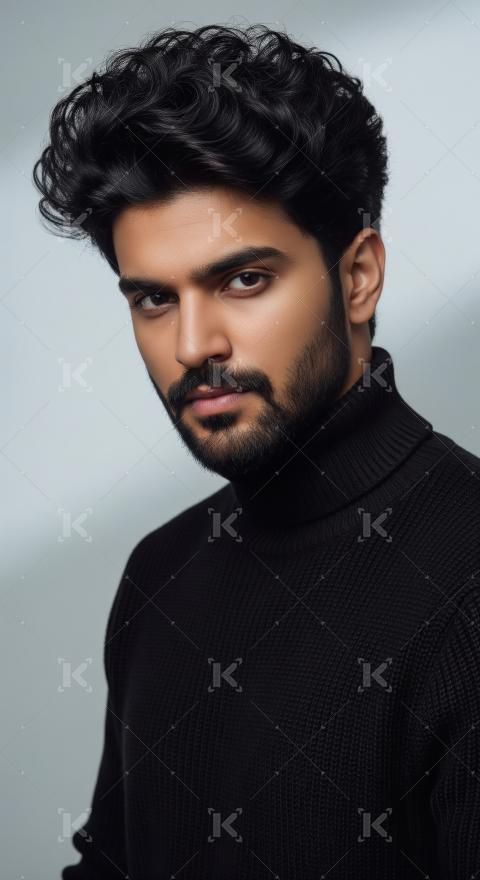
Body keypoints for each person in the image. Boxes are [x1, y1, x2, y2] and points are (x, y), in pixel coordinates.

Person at [33, 23, 480, 880]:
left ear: (358, 276)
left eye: (243, 279)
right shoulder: (160, 574)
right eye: (154, 298)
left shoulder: (465, 587)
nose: (194, 342)